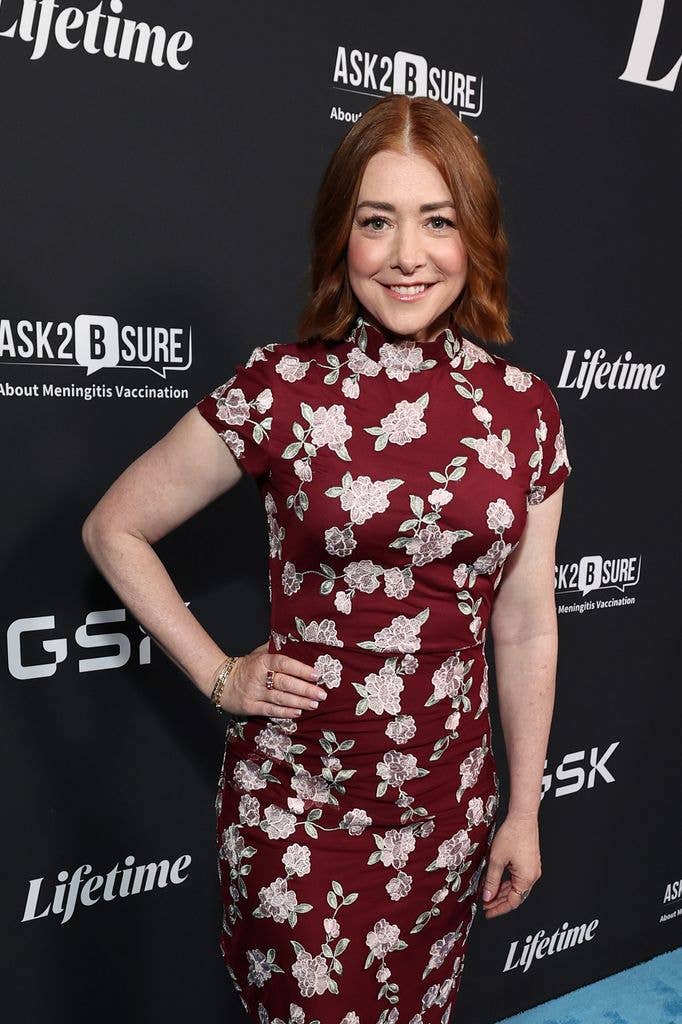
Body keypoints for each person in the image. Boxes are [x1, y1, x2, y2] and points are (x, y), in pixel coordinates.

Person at [82, 93, 572, 1024]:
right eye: (375, 221)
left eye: (437, 220)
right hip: (300, 811)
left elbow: (525, 620)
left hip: (447, 811)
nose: (406, 256)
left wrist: (524, 808)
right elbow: (115, 528)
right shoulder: (283, 389)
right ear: (339, 236)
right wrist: (221, 675)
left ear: (475, 234)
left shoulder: (527, 412)